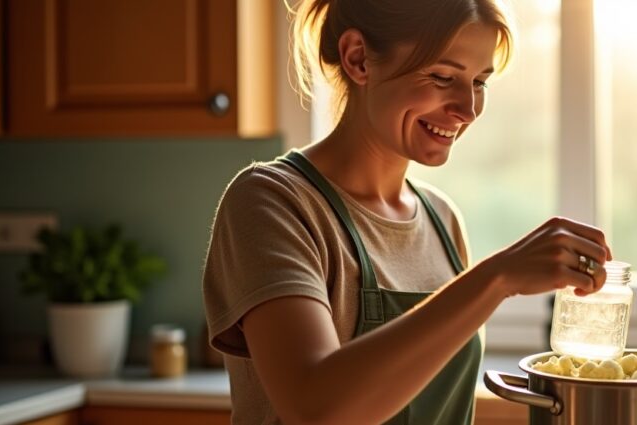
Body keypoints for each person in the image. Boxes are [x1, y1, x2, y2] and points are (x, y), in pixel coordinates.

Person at [202, 0, 612, 423]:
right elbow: (315, 409)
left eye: (479, 82)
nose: (467, 109)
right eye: (442, 76)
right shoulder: (273, 202)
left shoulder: (441, 219)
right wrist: (497, 279)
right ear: (358, 59)